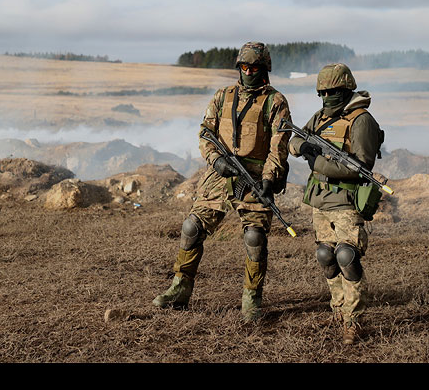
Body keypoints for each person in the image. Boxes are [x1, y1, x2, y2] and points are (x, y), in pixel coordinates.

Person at [153, 41, 292, 322]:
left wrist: (268, 178)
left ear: (265, 69)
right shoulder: (222, 96)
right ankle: (180, 288)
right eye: (244, 67)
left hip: (254, 177)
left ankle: (251, 298)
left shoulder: (276, 102)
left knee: (255, 237)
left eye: (254, 67)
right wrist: (216, 161)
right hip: (220, 174)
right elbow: (205, 133)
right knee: (191, 227)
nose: (249, 72)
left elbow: (279, 145)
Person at [288, 63, 384, 344]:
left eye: (332, 92)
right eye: (322, 92)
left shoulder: (361, 120)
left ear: (345, 90)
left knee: (347, 256)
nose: (326, 97)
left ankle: (353, 321)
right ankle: (338, 310)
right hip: (320, 200)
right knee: (325, 256)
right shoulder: (319, 118)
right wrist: (303, 148)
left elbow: (360, 167)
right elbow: (294, 139)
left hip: (347, 200)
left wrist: (317, 161)